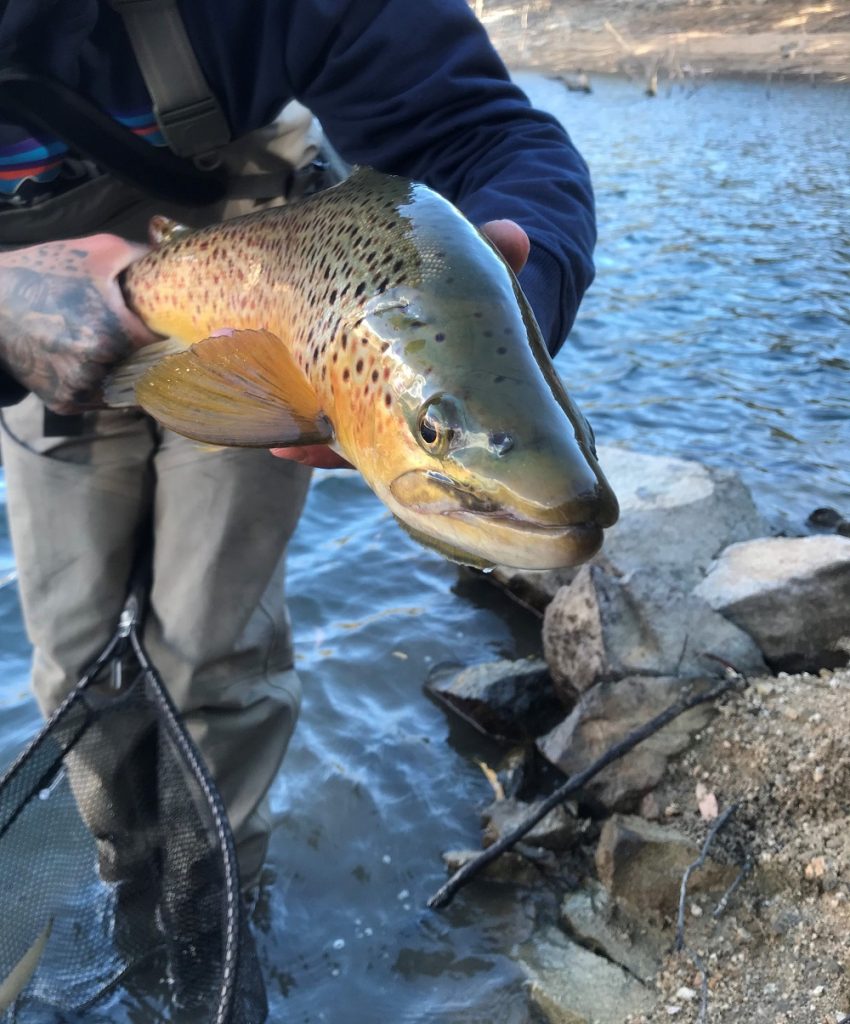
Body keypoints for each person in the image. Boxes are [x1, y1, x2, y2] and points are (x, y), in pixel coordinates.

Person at [0, 0, 596, 894]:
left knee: (215, 660)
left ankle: (212, 901)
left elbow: (479, 135)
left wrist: (513, 309)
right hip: (27, 346)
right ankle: (127, 882)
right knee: (75, 656)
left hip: (280, 339)